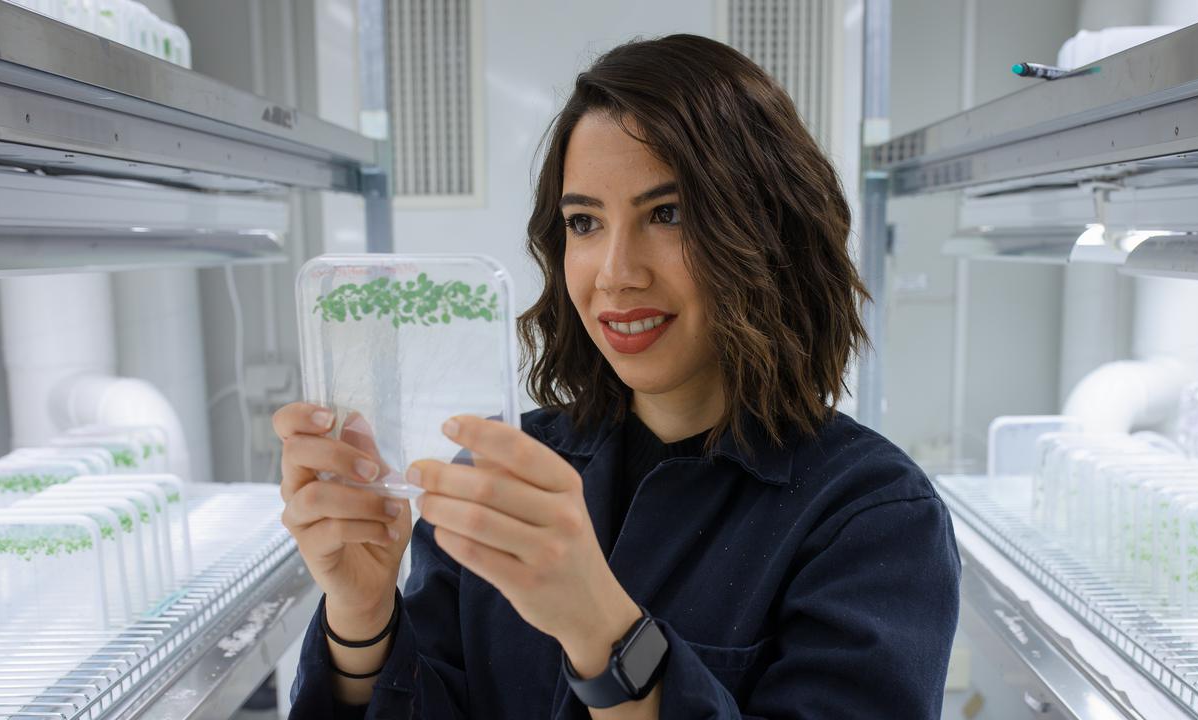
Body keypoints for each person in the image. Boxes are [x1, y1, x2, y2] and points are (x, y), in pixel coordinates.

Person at [275, 33, 960, 719]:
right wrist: (361, 615)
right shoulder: (505, 477)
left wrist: (601, 629)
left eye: (668, 214)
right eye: (584, 222)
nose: (615, 274)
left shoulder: (873, 516)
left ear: (769, 230)